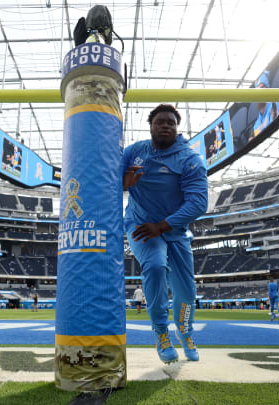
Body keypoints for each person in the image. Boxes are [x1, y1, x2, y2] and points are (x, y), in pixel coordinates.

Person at [123, 104, 208, 364]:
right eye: (160, 121)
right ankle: (161, 333)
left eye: (170, 122)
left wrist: (161, 225)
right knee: (157, 267)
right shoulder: (135, 152)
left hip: (173, 230)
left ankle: (185, 331)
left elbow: (198, 203)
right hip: (140, 226)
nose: (165, 125)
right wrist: (123, 183)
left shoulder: (189, 159)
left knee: (186, 290)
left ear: (176, 127)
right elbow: (106, 180)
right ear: (150, 126)